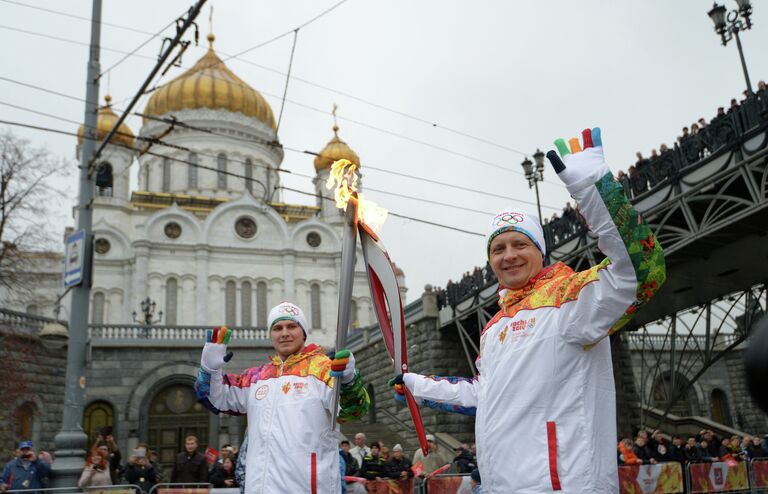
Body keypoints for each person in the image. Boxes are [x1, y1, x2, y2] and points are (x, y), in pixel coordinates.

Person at [392, 127, 666, 492]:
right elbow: (483, 395)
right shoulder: (494, 327)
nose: (509, 256)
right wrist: (417, 386)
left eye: (520, 244)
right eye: (498, 248)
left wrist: (594, 190)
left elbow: (642, 270)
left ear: (539, 250)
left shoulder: (570, 298)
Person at [195, 302, 370, 493]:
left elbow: (353, 410)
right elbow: (215, 398)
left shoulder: (324, 369)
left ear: (303, 332)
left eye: (291, 326)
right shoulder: (257, 377)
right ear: (271, 335)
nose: (284, 333)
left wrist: (348, 381)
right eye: (277, 328)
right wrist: (209, 370)